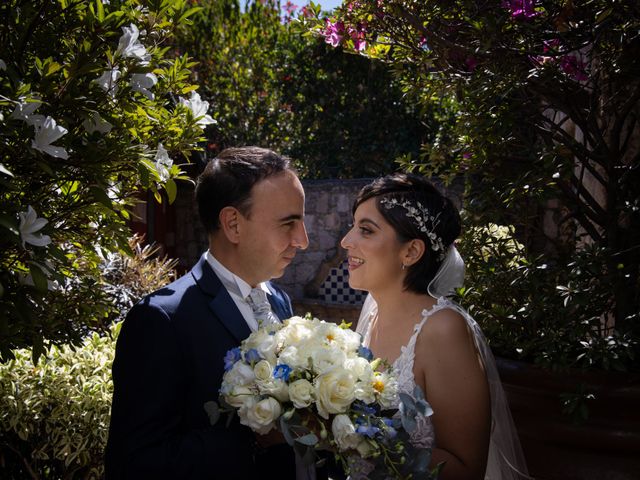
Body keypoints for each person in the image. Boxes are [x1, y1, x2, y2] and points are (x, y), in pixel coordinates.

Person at [105, 146, 311, 479]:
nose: (303, 240)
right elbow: (134, 463)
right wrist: (256, 439)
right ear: (233, 225)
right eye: (289, 223)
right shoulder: (162, 320)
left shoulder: (280, 302)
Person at [340, 173, 529, 480]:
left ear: (411, 252)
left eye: (366, 230)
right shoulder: (371, 314)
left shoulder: (442, 329)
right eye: (353, 227)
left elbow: (466, 469)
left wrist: (357, 440)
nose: (346, 241)